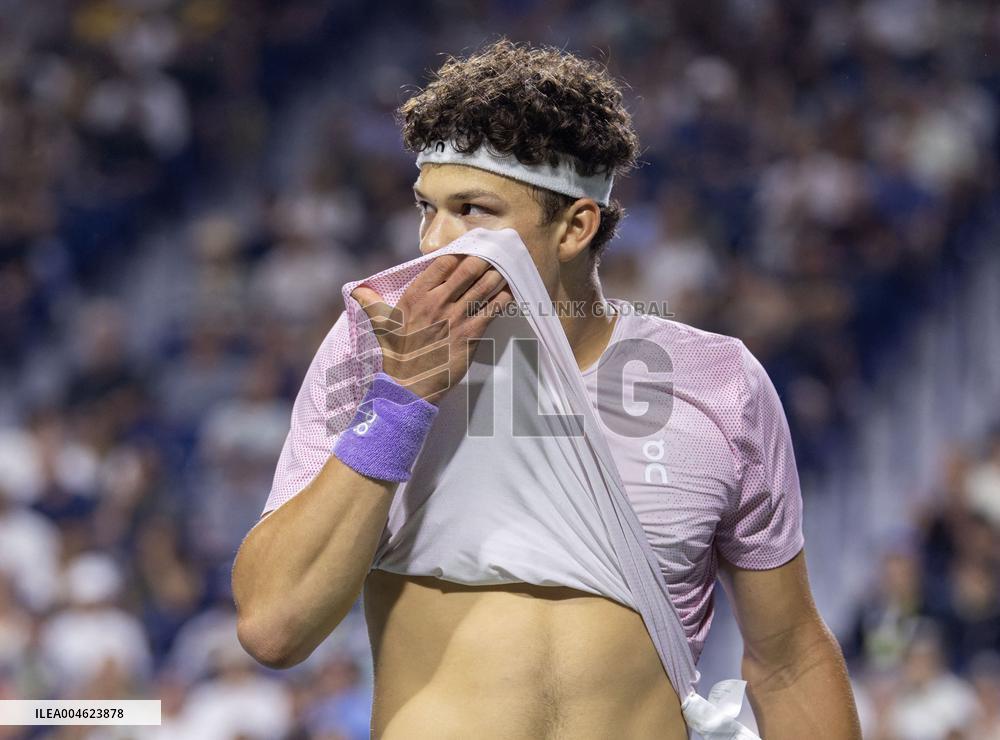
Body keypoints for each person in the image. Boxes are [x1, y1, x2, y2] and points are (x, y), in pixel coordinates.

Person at [231, 40, 861, 739]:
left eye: (473, 209)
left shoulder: (719, 382)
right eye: (427, 208)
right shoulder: (375, 350)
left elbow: (789, 659)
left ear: (575, 227)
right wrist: (403, 396)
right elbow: (273, 626)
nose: (437, 242)